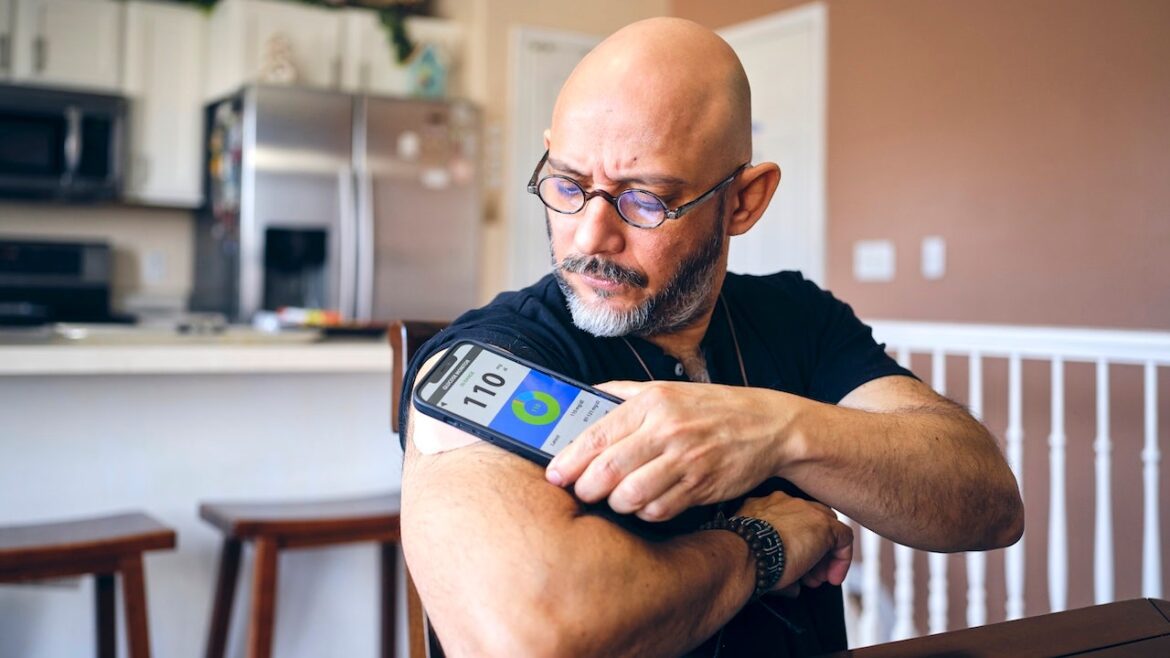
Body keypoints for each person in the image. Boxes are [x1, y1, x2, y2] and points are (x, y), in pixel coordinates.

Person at [398, 16, 1024, 658]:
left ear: (745, 201)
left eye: (644, 200)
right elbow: (533, 637)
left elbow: (988, 503)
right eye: (567, 185)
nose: (588, 238)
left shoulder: (797, 316)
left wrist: (777, 430)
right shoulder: (491, 356)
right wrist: (761, 547)